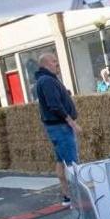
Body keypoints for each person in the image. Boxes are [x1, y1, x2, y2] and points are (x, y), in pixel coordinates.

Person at [33, 53, 81, 207]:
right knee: (72, 163)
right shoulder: (47, 80)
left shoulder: (46, 80)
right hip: (60, 127)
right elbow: (55, 105)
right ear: (46, 64)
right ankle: (76, 198)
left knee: (60, 161)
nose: (57, 64)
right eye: (54, 61)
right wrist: (72, 122)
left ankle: (67, 196)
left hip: (55, 127)